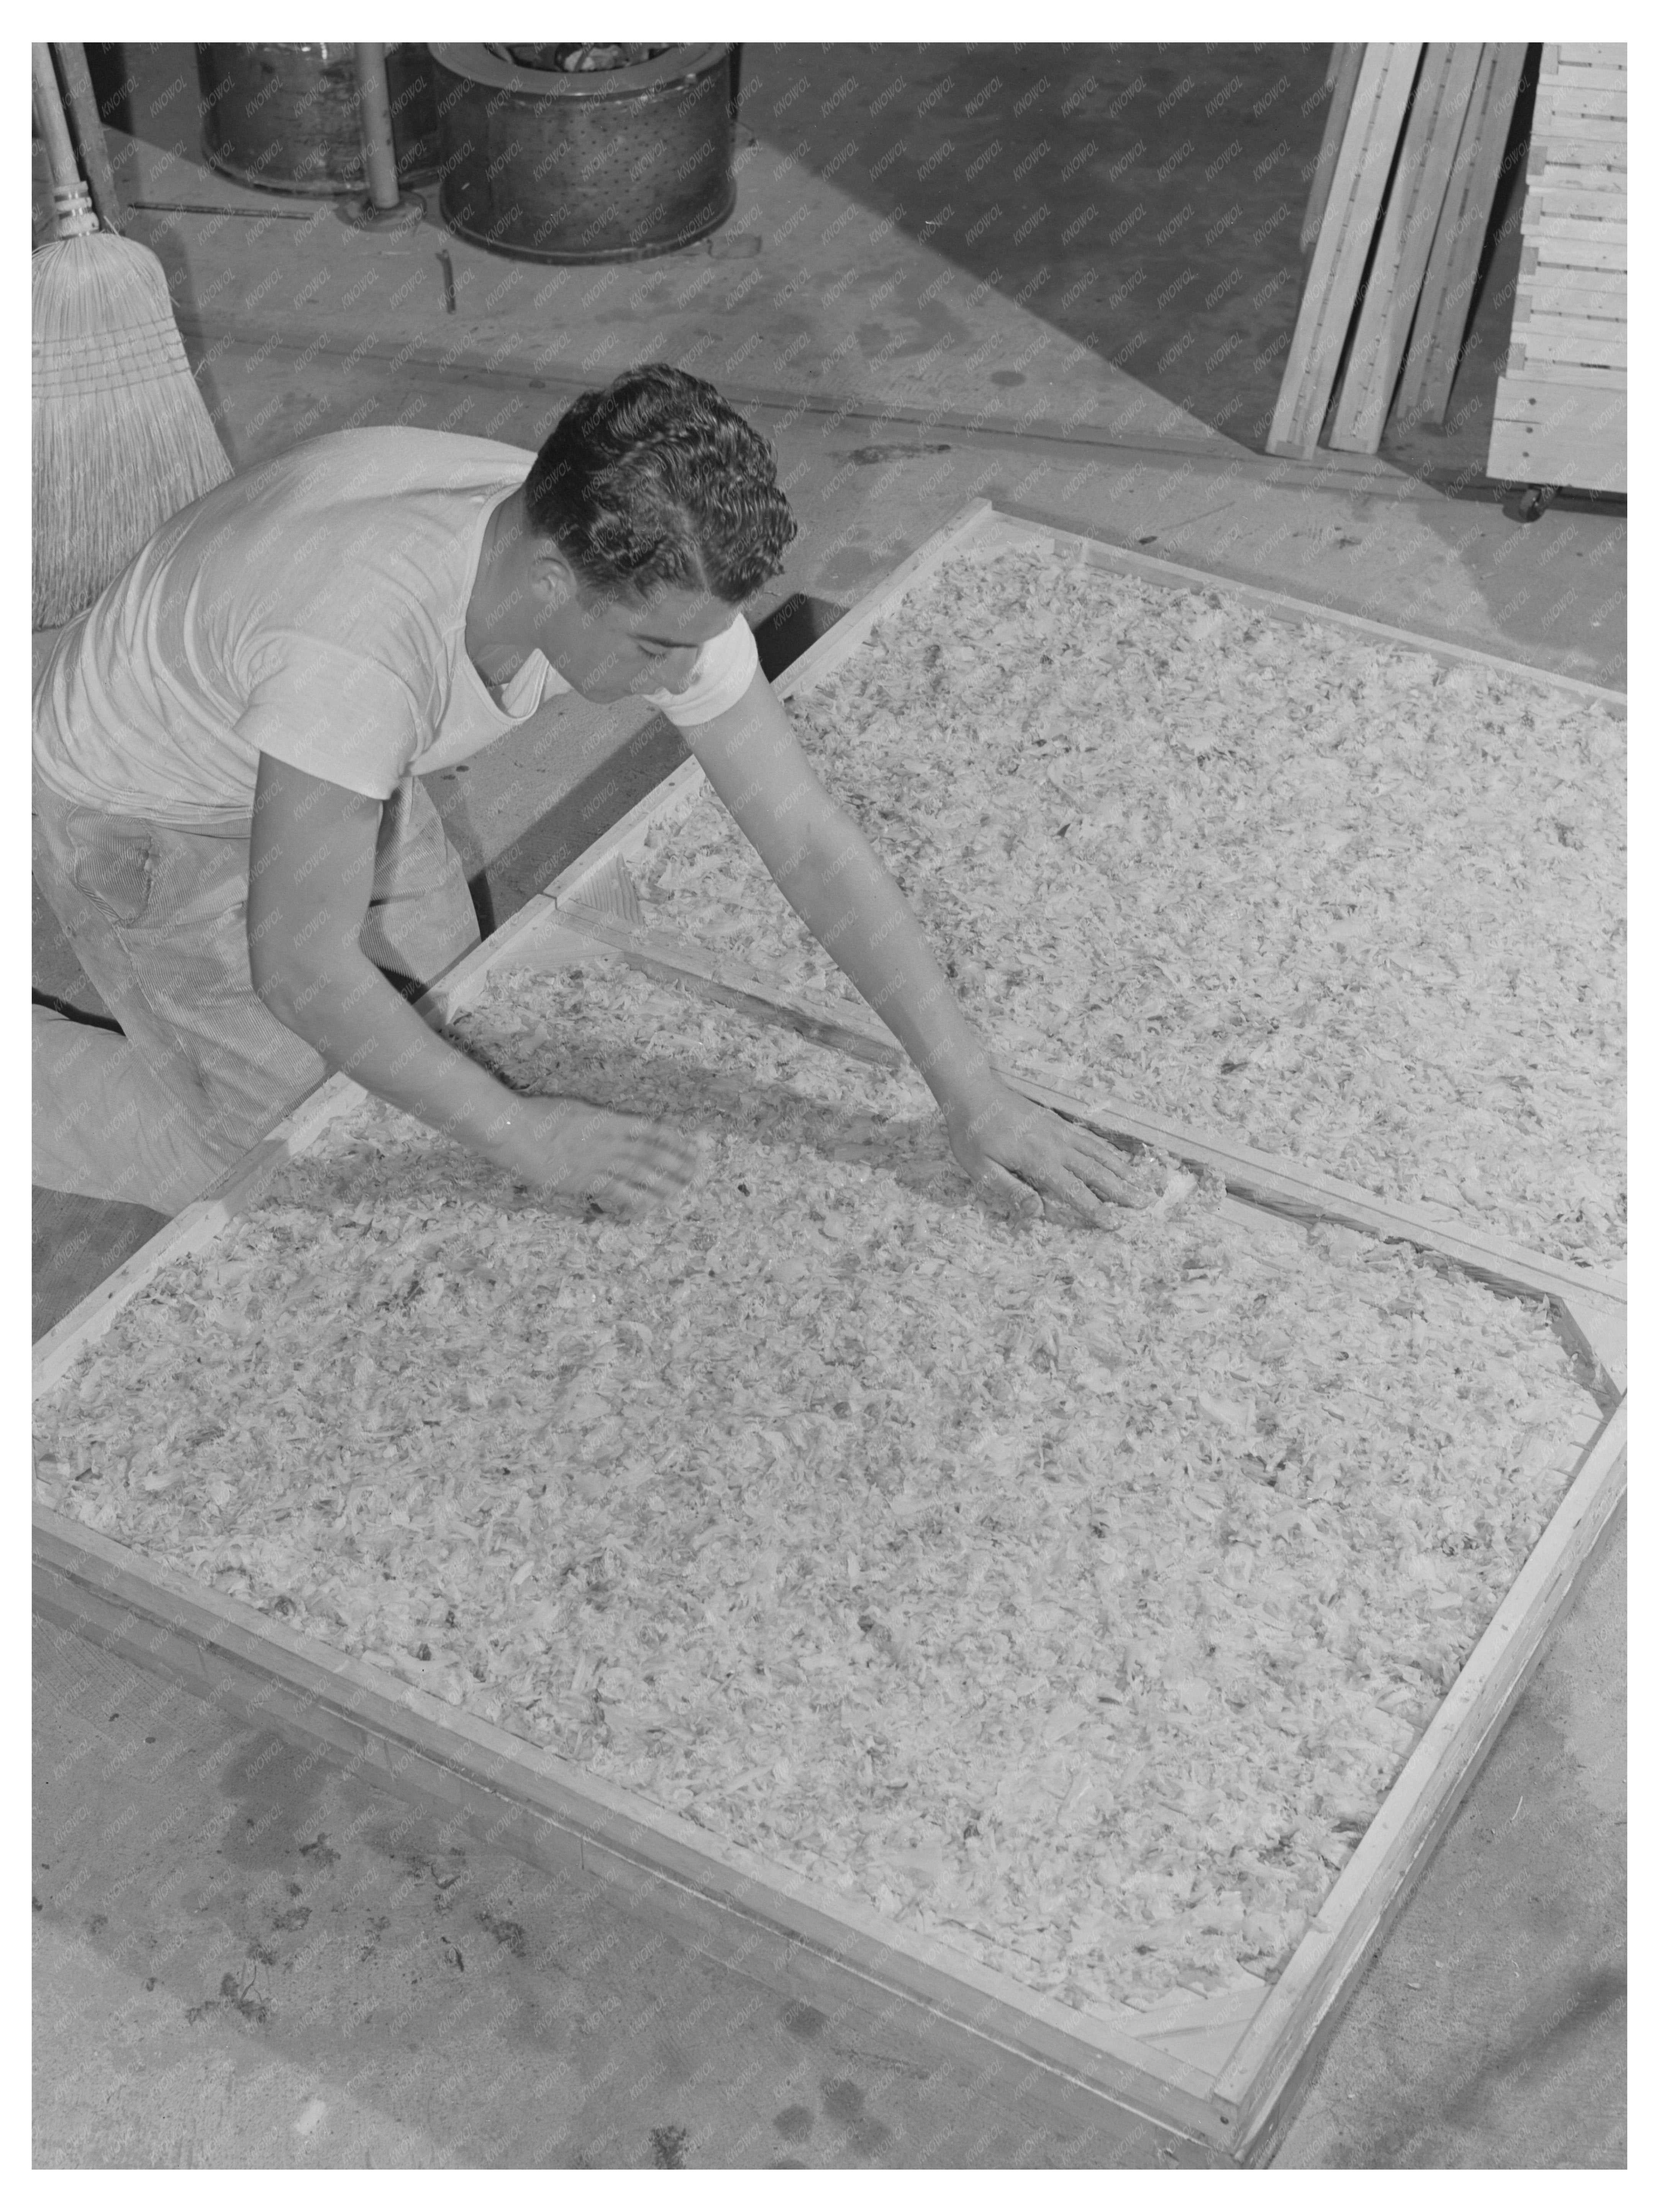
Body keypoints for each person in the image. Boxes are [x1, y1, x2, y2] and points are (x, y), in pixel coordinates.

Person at [33, 364, 1141, 1227]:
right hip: (145, 807)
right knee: (287, 1155)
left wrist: (968, 1086)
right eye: (657, 649)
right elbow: (300, 965)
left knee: (438, 1029)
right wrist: (527, 1137)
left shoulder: (621, 550)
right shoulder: (357, 653)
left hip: (307, 734)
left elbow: (803, 835)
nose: (678, 678)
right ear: (555, 580)